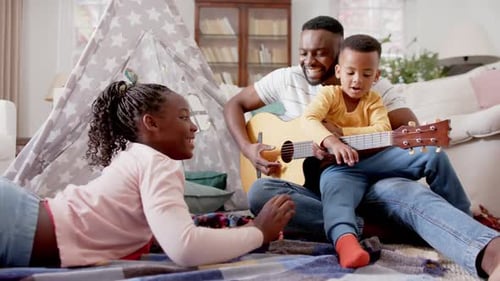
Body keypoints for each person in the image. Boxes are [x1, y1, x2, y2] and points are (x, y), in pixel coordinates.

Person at [223, 15, 500, 278]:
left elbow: (407, 130)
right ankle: (377, 228)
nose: (309, 61)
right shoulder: (288, 79)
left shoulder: (370, 86)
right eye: (304, 52)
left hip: (371, 181)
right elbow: (234, 104)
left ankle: (489, 252)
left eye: (320, 53)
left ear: (340, 53)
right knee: (260, 193)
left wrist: (345, 139)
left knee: (407, 193)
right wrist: (248, 148)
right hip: (311, 191)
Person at [0, 81, 296, 268]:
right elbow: (185, 248)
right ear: (151, 123)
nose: (193, 126)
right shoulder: (157, 162)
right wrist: (258, 232)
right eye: (183, 117)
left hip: (18, 218)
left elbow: (166, 232)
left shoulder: (138, 157)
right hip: (15, 223)